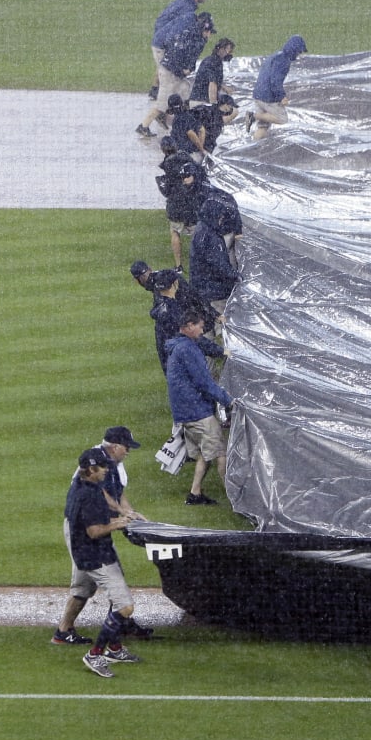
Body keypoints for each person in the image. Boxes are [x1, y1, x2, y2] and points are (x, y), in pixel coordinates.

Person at [53, 427, 151, 645]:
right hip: (83, 529)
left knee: (95, 580)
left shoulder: (110, 463)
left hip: (96, 525)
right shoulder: (95, 464)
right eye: (126, 448)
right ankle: (106, 630)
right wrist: (120, 518)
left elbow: (119, 492)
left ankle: (112, 623)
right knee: (92, 581)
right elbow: (102, 495)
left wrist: (128, 511)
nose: (128, 452)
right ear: (115, 447)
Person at [63, 447, 142, 678]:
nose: (107, 469)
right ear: (90, 469)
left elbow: (102, 506)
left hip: (91, 553)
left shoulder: (85, 484)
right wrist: (118, 523)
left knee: (90, 593)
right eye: (103, 467)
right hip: (96, 557)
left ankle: (114, 648)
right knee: (124, 607)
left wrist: (121, 513)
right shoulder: (85, 495)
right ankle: (95, 654)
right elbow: (95, 531)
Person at [164, 310, 234, 505]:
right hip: (197, 413)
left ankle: (195, 494)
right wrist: (228, 400)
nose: (202, 331)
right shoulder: (187, 350)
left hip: (185, 411)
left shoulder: (180, 346)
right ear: (188, 327)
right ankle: (237, 498)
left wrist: (223, 352)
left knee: (205, 453)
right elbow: (204, 382)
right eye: (200, 327)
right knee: (221, 453)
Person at [139, 12, 216, 138]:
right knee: (162, 102)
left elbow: (189, 58)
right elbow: (174, 59)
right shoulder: (189, 39)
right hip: (169, 72)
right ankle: (144, 126)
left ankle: (184, 123)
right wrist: (182, 71)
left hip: (174, 72)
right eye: (208, 31)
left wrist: (189, 68)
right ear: (202, 28)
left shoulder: (197, 38)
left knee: (185, 92)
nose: (209, 35)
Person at [147, 0, 211, 104]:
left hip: (161, 35)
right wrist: (171, 45)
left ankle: (155, 90)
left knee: (163, 65)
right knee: (168, 73)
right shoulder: (187, 9)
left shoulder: (185, 1)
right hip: (163, 39)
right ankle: (162, 105)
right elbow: (178, 30)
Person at [191, 190, 242, 324]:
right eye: (220, 217)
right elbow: (219, 264)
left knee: (206, 325)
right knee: (221, 326)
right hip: (215, 291)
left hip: (203, 287)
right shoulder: (211, 237)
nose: (221, 220)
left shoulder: (202, 229)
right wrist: (236, 276)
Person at [246, 35, 308, 140]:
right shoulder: (283, 61)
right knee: (282, 118)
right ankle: (253, 116)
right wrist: (281, 97)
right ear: (295, 49)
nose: (299, 55)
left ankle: (254, 147)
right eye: (299, 52)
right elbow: (275, 81)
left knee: (263, 127)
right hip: (267, 97)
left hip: (258, 94)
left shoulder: (275, 55)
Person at [190, 38, 235, 108]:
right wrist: (213, 106)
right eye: (229, 50)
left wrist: (224, 87)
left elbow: (209, 80)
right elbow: (212, 84)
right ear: (221, 49)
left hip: (196, 100)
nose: (230, 53)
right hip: (202, 103)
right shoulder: (215, 63)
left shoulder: (209, 59)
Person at [167, 93, 210, 164]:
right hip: (193, 153)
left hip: (185, 154)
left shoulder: (177, 119)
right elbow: (202, 130)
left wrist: (201, 149)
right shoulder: (188, 115)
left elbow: (190, 133)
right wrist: (200, 148)